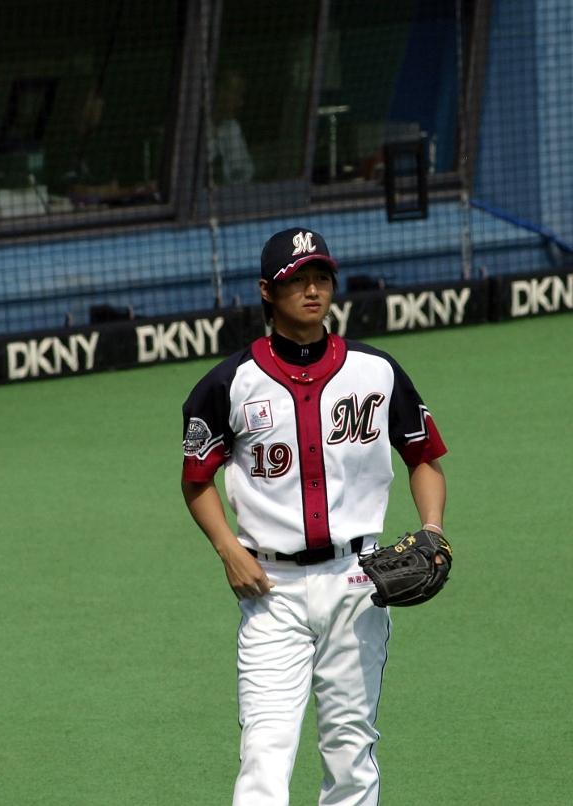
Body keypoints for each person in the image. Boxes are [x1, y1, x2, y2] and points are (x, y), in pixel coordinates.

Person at [180, 227, 447, 806]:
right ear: (266, 293)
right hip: (271, 590)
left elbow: (424, 457)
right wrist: (229, 550)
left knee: (352, 754)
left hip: (358, 580)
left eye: (320, 277)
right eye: (295, 280)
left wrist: (432, 529)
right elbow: (196, 480)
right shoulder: (227, 383)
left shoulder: (376, 372)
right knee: (264, 757)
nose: (311, 290)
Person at [210, 70, 254, 185]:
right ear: (219, 91)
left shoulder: (233, 127)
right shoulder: (192, 130)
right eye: (235, 93)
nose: (240, 103)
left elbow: (247, 174)